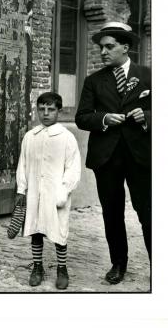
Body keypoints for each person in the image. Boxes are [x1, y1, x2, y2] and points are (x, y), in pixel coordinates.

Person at [75, 21, 151, 285]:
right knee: (112, 212)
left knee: (149, 211)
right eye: (100, 47)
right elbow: (82, 117)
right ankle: (118, 264)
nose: (103, 52)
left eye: (109, 47)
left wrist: (148, 116)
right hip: (106, 157)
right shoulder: (94, 81)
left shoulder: (149, 75)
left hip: (142, 156)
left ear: (125, 47)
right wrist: (104, 117)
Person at [15, 92, 81, 290]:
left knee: (59, 230)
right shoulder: (30, 137)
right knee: (35, 228)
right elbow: (23, 165)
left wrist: (63, 190)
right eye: (41, 109)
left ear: (58, 111)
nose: (45, 113)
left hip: (56, 193)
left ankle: (62, 268)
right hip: (35, 191)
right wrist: (21, 189)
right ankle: (37, 267)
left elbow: (73, 168)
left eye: (51, 109)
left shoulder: (67, 138)